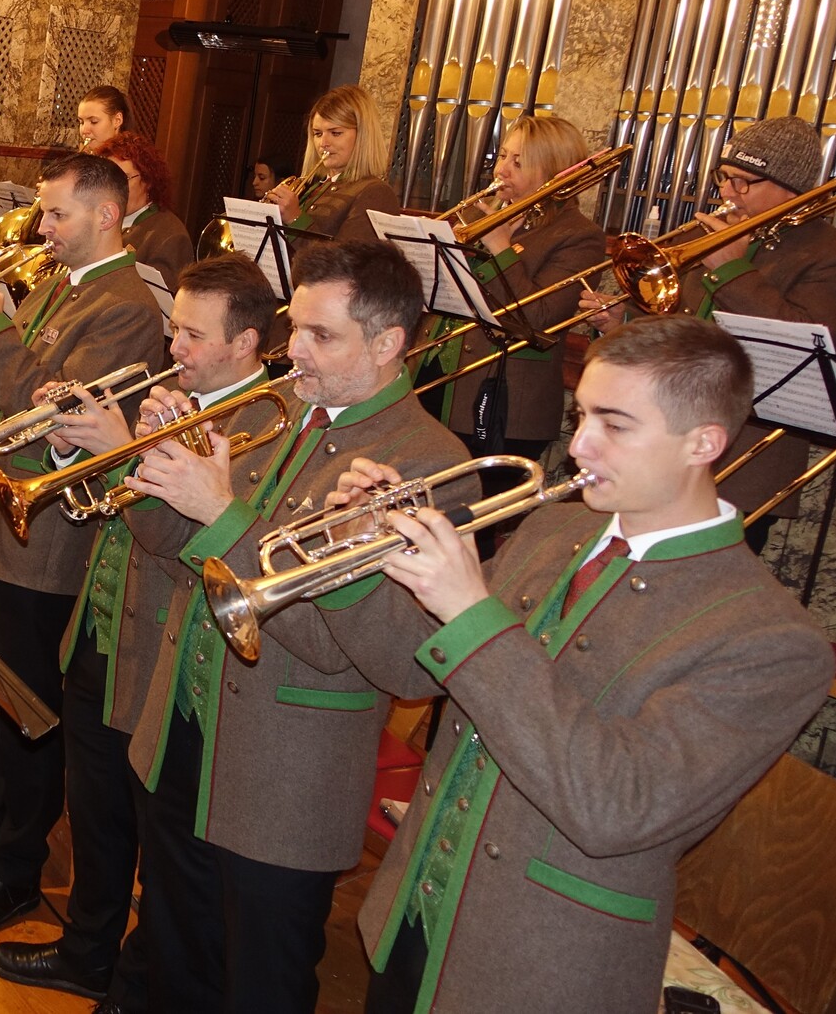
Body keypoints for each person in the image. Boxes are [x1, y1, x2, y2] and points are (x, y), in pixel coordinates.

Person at [315, 315, 833, 1014]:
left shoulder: (771, 638)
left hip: (545, 967)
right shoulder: (558, 528)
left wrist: (471, 616)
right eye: (581, 413)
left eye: (614, 424)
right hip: (412, 913)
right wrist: (356, 558)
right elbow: (409, 672)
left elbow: (615, 804)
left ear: (703, 442)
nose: (580, 443)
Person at [114, 241, 474, 1013]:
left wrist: (222, 511)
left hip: (288, 771)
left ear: (387, 344)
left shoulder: (428, 460)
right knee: (175, 954)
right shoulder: (273, 413)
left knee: (261, 982)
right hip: (183, 726)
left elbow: (389, 662)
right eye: (295, 328)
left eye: (321, 335)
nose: (294, 351)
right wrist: (150, 467)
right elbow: (172, 549)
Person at [0, 256, 283, 1007]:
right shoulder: (174, 394)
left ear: (246, 342)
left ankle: (131, 970)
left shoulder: (264, 424)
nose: (173, 346)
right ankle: (88, 948)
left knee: (153, 836)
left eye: (190, 333)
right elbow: (101, 504)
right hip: (100, 627)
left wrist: (129, 446)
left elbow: (180, 543)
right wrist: (72, 445)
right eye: (173, 327)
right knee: (95, 812)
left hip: (159, 648)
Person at [0, 152, 165, 935]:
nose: (41, 227)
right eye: (44, 214)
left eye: (57, 214)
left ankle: (16, 867)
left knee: (26, 714)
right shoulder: (58, 283)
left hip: (43, 546)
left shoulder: (124, 308)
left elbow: (45, 413)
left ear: (107, 215)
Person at [582, 115, 836, 549]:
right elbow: (687, 325)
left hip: (745, 455)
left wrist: (731, 269)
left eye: (744, 181)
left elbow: (807, 336)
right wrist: (624, 323)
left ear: (790, 188)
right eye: (724, 177)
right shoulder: (709, 232)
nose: (727, 192)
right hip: (663, 439)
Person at [421, 116, 605, 472]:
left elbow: (538, 320)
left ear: (554, 171)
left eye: (518, 161)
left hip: (502, 402)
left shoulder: (579, 235)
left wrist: (501, 247)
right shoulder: (482, 213)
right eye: (502, 156)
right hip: (435, 376)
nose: (501, 169)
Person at [265, 85, 399, 243]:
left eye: (335, 133)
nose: (323, 143)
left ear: (363, 136)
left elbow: (346, 262)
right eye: (317, 133)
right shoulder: (316, 188)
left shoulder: (375, 192)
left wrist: (295, 218)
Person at [95, 131, 195, 284]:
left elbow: (160, 303)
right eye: (108, 179)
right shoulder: (98, 220)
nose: (114, 188)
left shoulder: (170, 236)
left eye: (123, 179)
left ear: (148, 180)